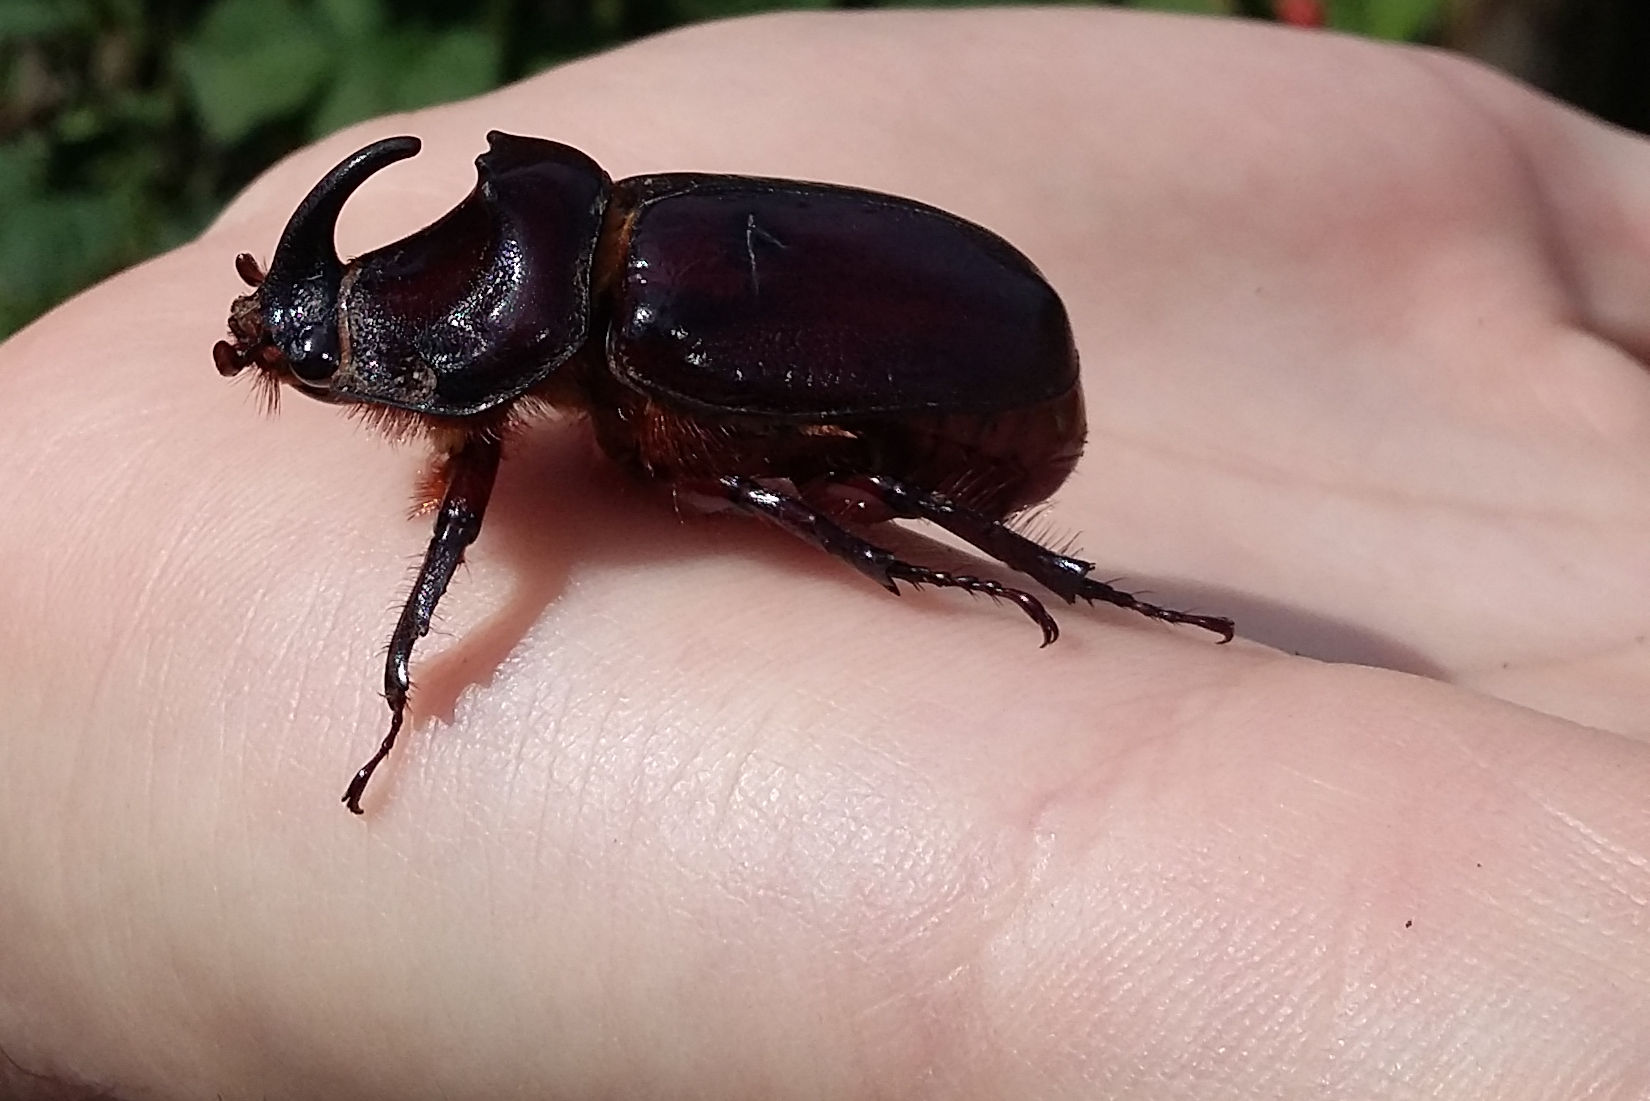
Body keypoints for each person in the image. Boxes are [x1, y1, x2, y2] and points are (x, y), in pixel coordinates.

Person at [1, 9, 1646, 1098]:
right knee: (800, 500)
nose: (351, 362)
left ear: (479, 340)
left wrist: (401, 673)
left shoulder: (635, 327)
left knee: (813, 493)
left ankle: (1059, 587)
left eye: (359, 341)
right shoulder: (601, 250)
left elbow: (581, 498)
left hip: (975, 395)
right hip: (970, 318)